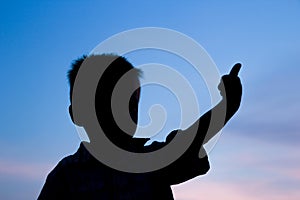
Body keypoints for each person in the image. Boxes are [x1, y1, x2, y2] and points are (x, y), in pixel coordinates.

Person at [38, 54, 242, 200]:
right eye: (109, 99)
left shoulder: (150, 162)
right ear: (79, 114)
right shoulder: (65, 176)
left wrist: (225, 108)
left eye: (132, 100)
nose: (125, 110)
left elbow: (187, 143)